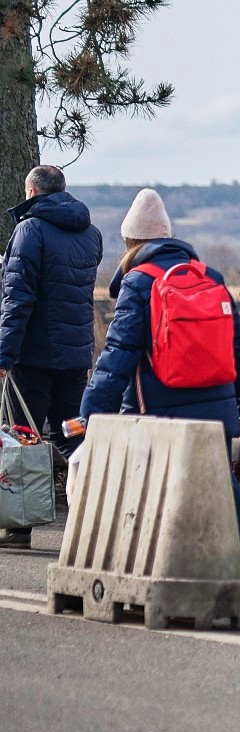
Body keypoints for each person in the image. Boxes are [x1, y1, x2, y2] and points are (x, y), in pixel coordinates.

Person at [76, 188, 240, 576]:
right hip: (217, 406)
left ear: (130, 241)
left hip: (158, 406)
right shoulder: (210, 277)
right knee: (218, 475)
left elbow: (116, 357)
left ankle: (163, 565)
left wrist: (90, 417)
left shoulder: (139, 281)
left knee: (153, 483)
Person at [0, 165, 104, 549]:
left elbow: (18, 299)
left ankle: (17, 525)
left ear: (31, 192)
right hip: (75, 358)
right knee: (72, 432)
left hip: (33, 359)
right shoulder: (90, 234)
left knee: (22, 437)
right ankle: (94, 516)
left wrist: (4, 355)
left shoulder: (30, 230)